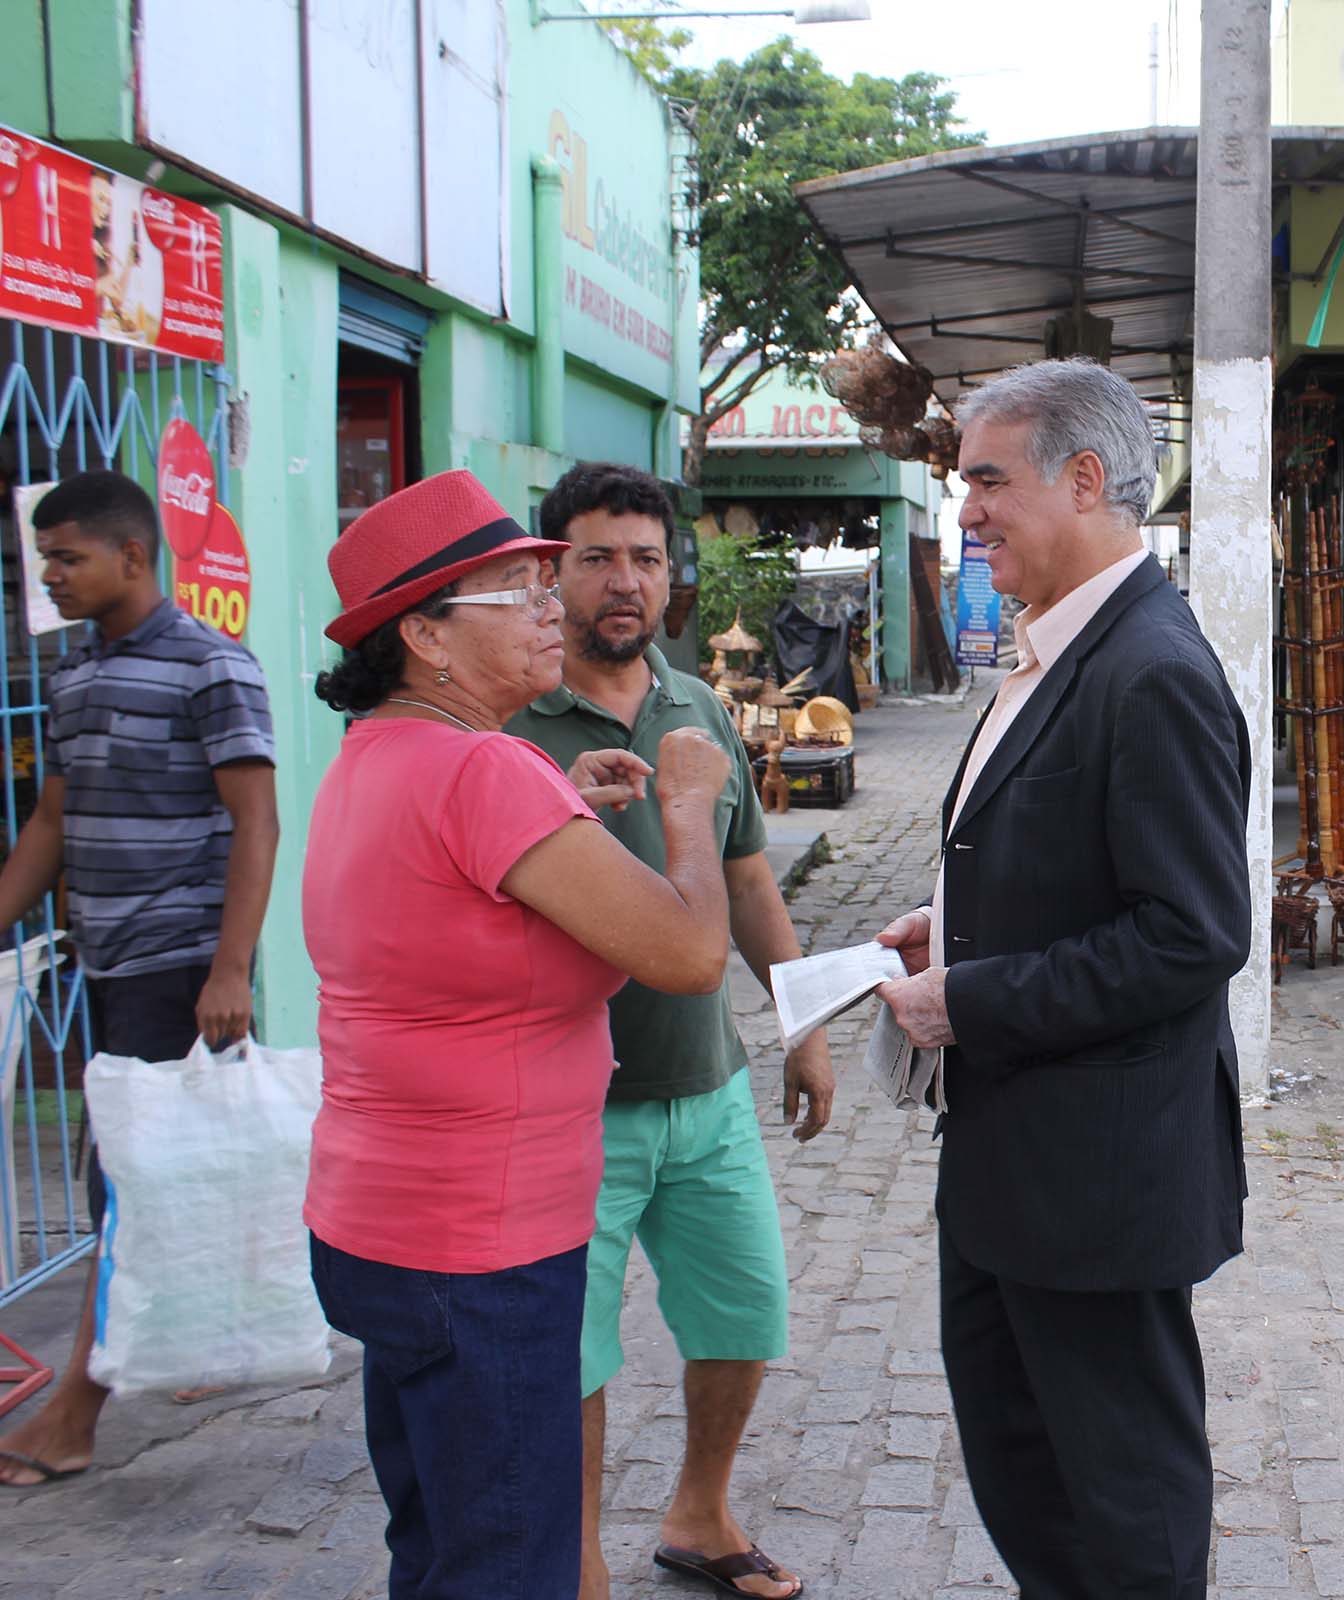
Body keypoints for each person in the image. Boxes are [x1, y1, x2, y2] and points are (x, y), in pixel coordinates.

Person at [302, 469, 735, 1599]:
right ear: (427, 637)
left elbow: (454, 906)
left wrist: (556, 804)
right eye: (514, 588)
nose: (554, 605)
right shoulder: (489, 769)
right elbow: (688, 955)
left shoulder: (379, 755)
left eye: (548, 580)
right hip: (479, 1242)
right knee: (510, 1560)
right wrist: (688, 800)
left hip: (381, 1221)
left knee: (441, 1542)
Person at [873, 359, 1251, 1598]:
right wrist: (961, 922)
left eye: (988, 479)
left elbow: (1190, 934)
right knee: (1031, 1484)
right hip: (1015, 1174)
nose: (966, 510)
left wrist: (970, 1000)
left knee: (1121, 1514)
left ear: (1084, 481)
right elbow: (1079, 870)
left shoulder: (1151, 669)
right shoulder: (1059, 652)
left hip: (1097, 1186)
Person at [508, 462, 832, 1600]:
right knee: (573, 1353)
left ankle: (701, 1510)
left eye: (645, 558)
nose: (624, 581)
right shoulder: (509, 720)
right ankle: (580, 1560)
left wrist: (802, 1022)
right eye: (597, 556)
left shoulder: (696, 707)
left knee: (745, 1309)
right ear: (551, 571)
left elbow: (746, 883)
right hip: (568, 1108)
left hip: (703, 1089)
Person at [0, 470, 277, 1488]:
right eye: (44, 560)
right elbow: (47, 829)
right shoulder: (74, 677)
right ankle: (193, 1345)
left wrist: (230, 968)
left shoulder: (212, 667)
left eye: (68, 557)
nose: (52, 576)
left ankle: (76, 1412)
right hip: (106, 964)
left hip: (181, 968)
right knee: (152, 1179)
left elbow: (258, 820)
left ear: (133, 554)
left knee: (126, 1187)